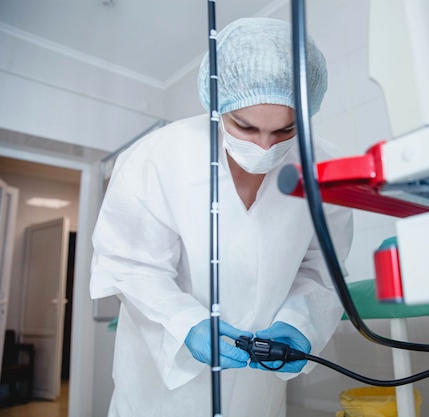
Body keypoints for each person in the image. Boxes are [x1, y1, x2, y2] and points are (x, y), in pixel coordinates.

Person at [90, 17, 353, 417]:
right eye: (244, 126)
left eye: (285, 131)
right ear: (217, 104)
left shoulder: (323, 169)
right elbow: (129, 264)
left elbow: (322, 271)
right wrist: (185, 322)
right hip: (160, 391)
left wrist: (300, 323)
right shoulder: (158, 157)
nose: (264, 147)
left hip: (257, 388)